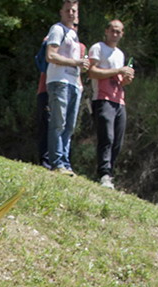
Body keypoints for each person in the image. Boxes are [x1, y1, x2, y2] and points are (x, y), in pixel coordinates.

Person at [87, 19, 134, 188]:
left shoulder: (120, 54)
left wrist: (126, 79)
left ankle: (109, 174)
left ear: (122, 34)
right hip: (102, 98)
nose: (115, 34)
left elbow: (119, 80)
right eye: (112, 30)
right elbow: (91, 72)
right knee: (106, 136)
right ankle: (103, 173)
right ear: (106, 31)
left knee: (118, 141)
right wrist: (118, 71)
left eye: (119, 32)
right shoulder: (98, 48)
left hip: (119, 100)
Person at [44, 0, 89, 175]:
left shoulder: (74, 35)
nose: (71, 13)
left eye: (74, 11)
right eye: (68, 10)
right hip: (59, 82)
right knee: (58, 123)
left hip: (73, 84)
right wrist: (76, 62)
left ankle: (65, 162)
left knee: (69, 126)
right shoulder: (57, 29)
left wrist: (80, 75)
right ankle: (56, 163)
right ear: (61, 12)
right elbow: (50, 55)